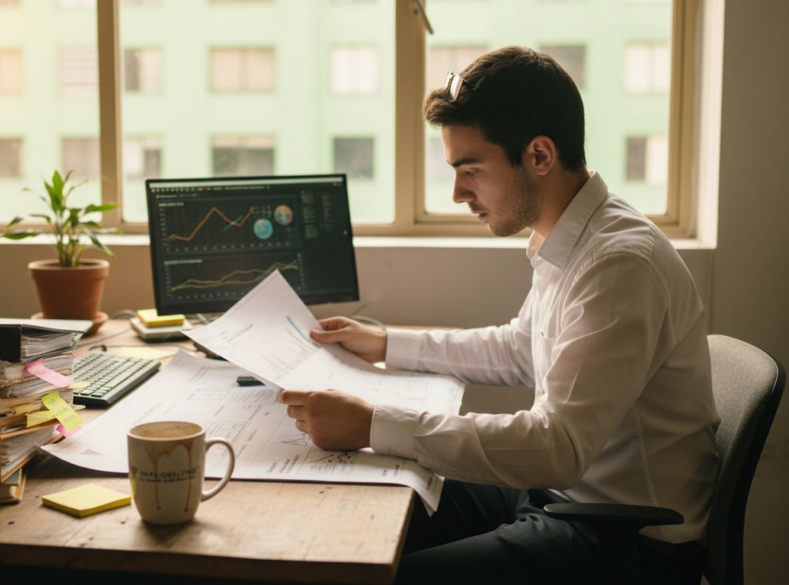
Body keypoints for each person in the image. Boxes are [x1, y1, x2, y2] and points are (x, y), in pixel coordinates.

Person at [277, 46, 719, 584]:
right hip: (560, 499)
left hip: (624, 539)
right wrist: (386, 343)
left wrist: (372, 423)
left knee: (381, 573)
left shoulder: (618, 264)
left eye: (471, 170)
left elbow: (559, 448)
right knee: (362, 502)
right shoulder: (573, 233)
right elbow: (517, 348)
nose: (460, 193)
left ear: (538, 155)